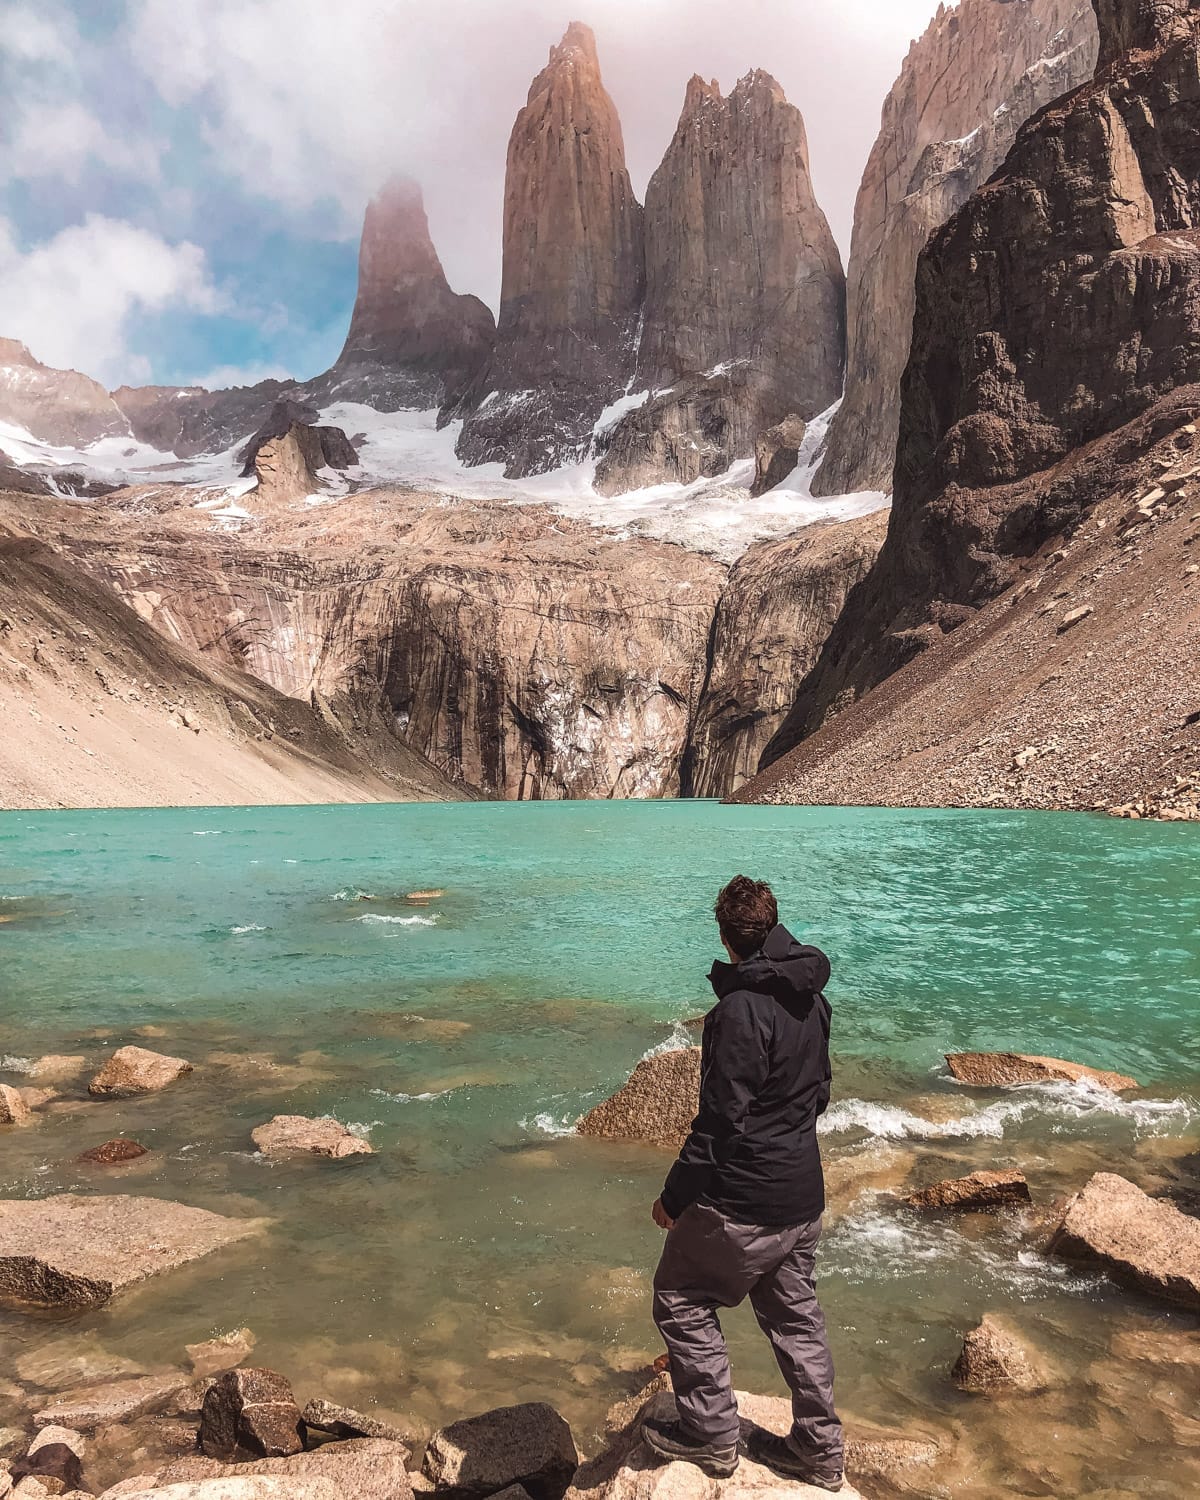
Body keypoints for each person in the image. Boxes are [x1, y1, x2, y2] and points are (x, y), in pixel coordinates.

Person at [642, 875, 844, 1491]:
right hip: (802, 1195)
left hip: (744, 1201)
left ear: (725, 934)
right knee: (797, 1319)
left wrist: (673, 1200)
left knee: (680, 1298)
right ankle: (820, 1451)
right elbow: (821, 1094)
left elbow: (720, 1123)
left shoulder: (738, 1010)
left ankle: (711, 1437)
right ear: (774, 926)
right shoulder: (811, 993)